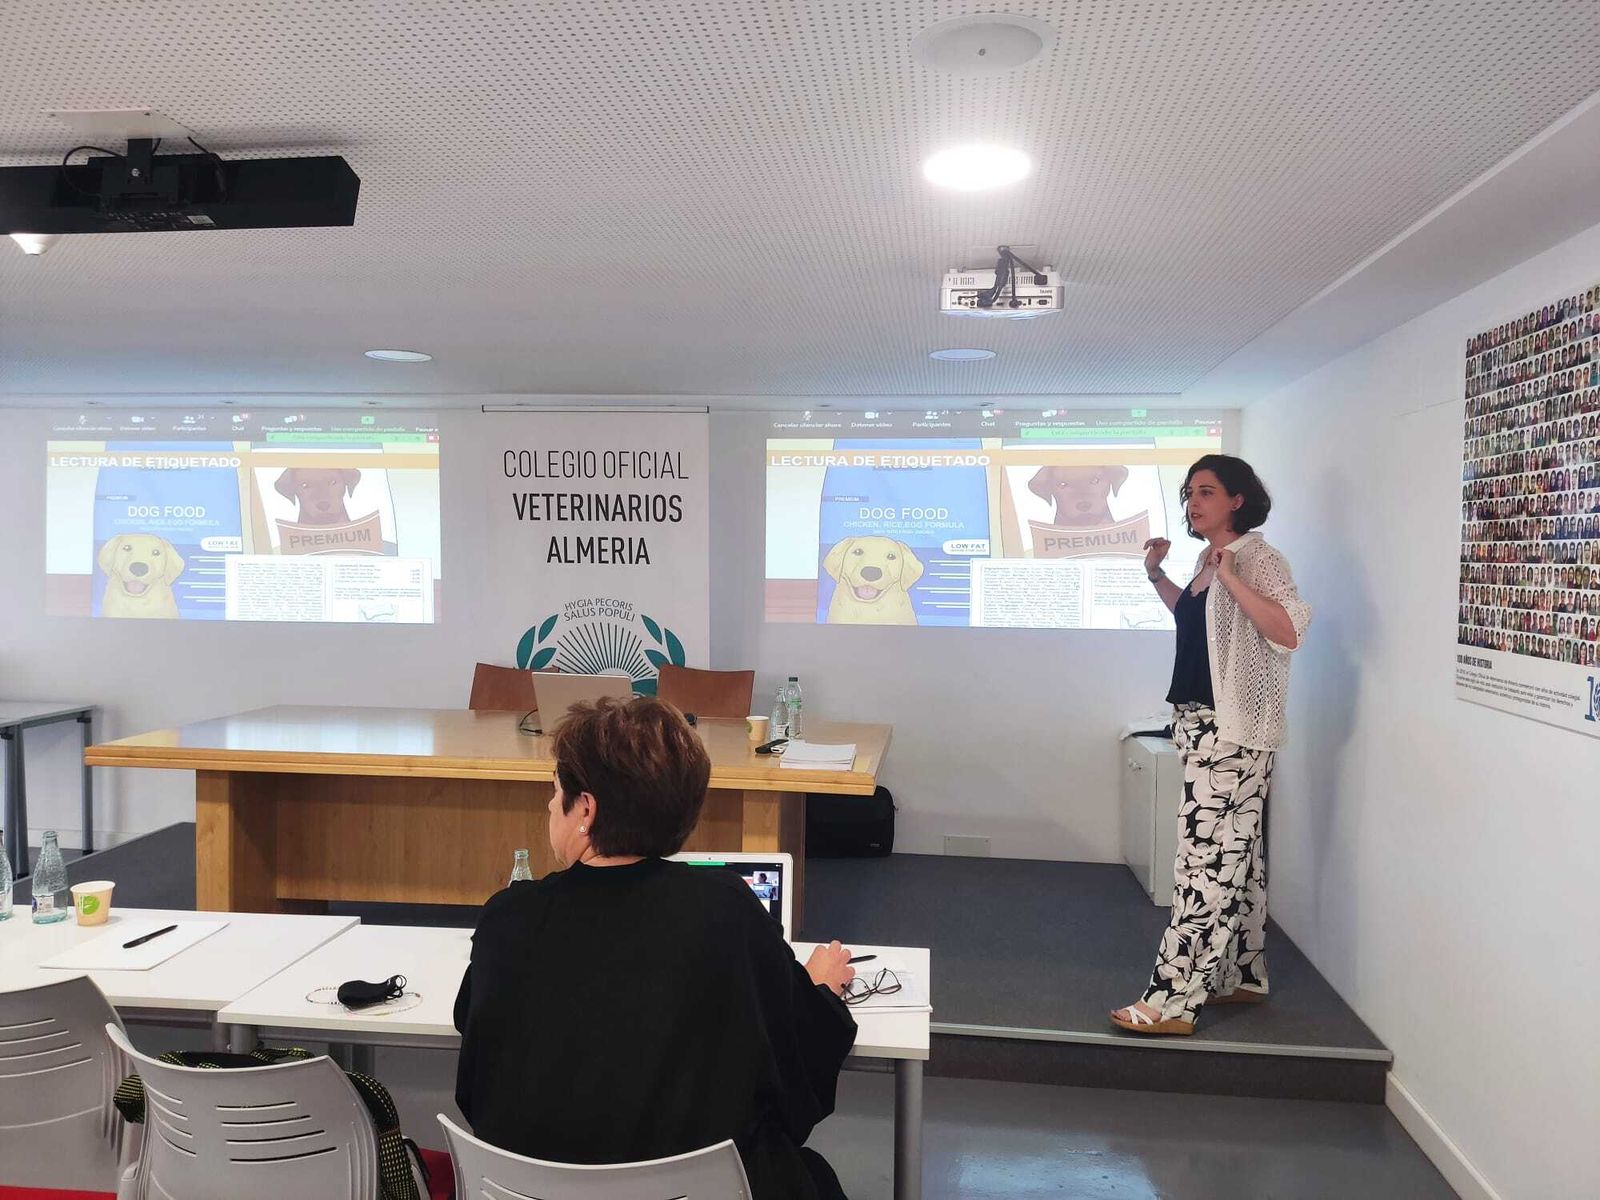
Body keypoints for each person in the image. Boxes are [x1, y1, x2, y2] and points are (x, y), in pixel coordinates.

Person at [454, 695, 858, 1199]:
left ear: (586, 808)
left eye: (554, 792)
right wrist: (820, 989)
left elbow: (476, 1074)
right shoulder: (726, 911)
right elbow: (794, 1066)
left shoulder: (508, 918)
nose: (548, 806)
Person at [1110, 454, 1311, 1036]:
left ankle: (1171, 1004)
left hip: (1236, 731)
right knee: (1234, 858)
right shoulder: (1208, 559)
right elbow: (1194, 620)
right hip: (1198, 723)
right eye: (1189, 493)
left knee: (1203, 865)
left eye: (1206, 492)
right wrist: (1157, 574)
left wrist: (1231, 578)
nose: (1194, 504)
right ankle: (1241, 975)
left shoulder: (1259, 558)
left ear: (1238, 500)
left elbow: (1288, 629)